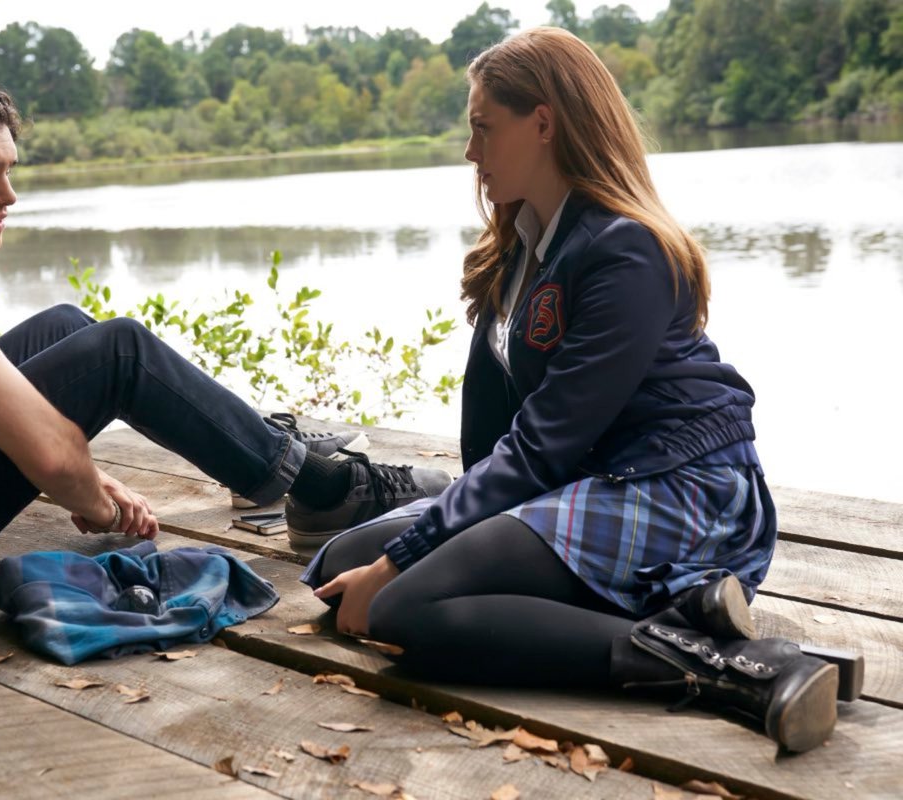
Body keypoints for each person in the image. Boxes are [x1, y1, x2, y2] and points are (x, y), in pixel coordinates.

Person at [300, 28, 858, 754]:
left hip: (683, 487)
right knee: (337, 564)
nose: (470, 151)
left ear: (543, 123)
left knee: (404, 607)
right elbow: (503, 435)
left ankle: (730, 668)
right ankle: (683, 605)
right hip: (587, 479)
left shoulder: (626, 248)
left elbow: (542, 445)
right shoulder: (528, 244)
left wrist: (405, 561)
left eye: (483, 128)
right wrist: (440, 536)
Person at [0, 61, 451, 594]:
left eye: (8, 171)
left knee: (64, 327)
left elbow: (9, 414)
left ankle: (262, 445)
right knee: (119, 352)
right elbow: (52, 455)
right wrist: (97, 499)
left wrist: (85, 478)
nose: (8, 195)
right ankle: (321, 488)